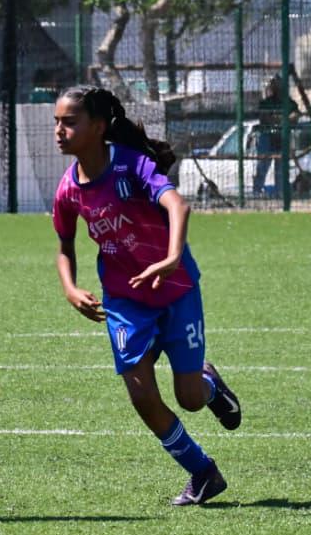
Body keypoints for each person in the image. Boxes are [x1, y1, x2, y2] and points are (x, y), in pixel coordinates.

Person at [51, 85, 242, 507]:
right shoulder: (67, 191)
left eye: (69, 122)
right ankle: (202, 472)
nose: (59, 131)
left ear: (98, 127)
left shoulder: (132, 165)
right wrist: (69, 288)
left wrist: (173, 256)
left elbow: (177, 206)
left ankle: (209, 384)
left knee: (189, 399)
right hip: (126, 300)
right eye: (56, 122)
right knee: (141, 395)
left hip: (176, 289)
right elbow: (64, 247)